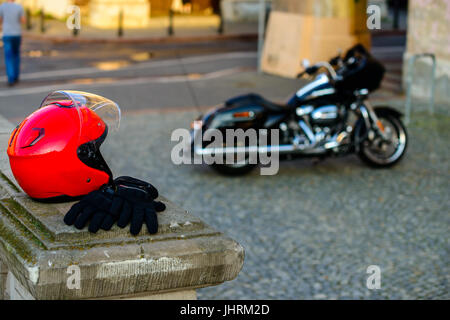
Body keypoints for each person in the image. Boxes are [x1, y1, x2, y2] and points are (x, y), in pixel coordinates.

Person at [0, 0, 25, 86]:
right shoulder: (19, 7)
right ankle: (16, 76)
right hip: (16, 34)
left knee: (8, 57)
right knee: (16, 55)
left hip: (7, 34)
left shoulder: (2, 6)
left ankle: (10, 78)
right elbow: (23, 20)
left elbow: (0, 19)